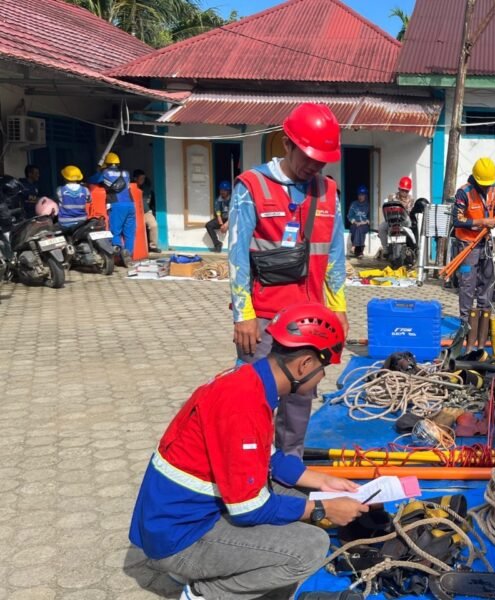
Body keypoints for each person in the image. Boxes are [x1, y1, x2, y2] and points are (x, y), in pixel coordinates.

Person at [130, 303, 367, 600]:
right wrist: (322, 510)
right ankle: (203, 592)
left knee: (304, 495)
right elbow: (248, 510)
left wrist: (322, 482)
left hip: (180, 518)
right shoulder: (243, 405)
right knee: (310, 546)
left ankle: (220, 570)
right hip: (180, 538)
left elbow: (268, 458)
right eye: (323, 370)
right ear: (305, 365)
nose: (321, 379)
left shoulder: (250, 381)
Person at [228, 102, 348, 466]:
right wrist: (243, 315)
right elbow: (236, 255)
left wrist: (339, 309)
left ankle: (288, 465)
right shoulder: (251, 187)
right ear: (287, 144)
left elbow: (336, 256)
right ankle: (245, 466)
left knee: (301, 397)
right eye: (309, 157)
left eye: (322, 160)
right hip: (263, 319)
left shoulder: (328, 192)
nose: (314, 166)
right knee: (252, 395)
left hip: (310, 318)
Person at [451, 157, 495, 322]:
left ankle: (483, 319)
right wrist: (482, 222)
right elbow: (457, 220)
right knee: (468, 284)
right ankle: (465, 321)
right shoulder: (463, 193)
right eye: (484, 184)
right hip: (467, 245)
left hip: (485, 243)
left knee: (487, 281)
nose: (487, 187)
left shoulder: (494, 188)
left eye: (488, 184)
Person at [89, 152, 135, 263]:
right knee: (129, 233)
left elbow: (92, 180)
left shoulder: (105, 173)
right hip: (130, 205)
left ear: (107, 163)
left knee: (115, 231)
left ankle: (118, 254)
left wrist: (99, 170)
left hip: (116, 205)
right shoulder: (126, 173)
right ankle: (128, 255)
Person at [378, 176, 414, 252]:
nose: (404, 192)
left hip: (404, 222)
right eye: (402, 190)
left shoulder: (411, 200)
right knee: (381, 227)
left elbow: (411, 212)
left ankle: (412, 246)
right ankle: (385, 249)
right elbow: (386, 205)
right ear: (399, 189)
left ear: (409, 191)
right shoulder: (392, 196)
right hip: (391, 221)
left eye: (406, 191)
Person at [55, 165, 91, 230]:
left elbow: (57, 201)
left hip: (64, 223)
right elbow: (89, 200)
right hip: (82, 223)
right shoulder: (85, 190)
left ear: (65, 177)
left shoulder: (60, 190)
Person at [133, 169, 160, 252]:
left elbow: (145, 200)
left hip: (145, 211)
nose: (142, 180)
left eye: (143, 178)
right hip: (133, 212)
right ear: (135, 178)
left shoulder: (146, 187)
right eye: (141, 178)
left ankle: (153, 246)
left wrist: (149, 211)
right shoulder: (130, 186)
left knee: (153, 225)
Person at [206, 181, 232, 253]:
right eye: (221, 190)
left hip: (232, 218)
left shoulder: (232, 199)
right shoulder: (218, 200)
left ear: (229, 191)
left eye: (224, 190)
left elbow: (233, 213)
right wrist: (221, 225)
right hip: (223, 218)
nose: (222, 192)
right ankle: (217, 244)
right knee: (209, 225)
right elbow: (218, 214)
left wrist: (226, 225)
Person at [348, 185, 370, 257]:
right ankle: (360, 251)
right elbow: (349, 216)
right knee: (355, 228)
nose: (360, 196)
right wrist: (355, 222)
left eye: (362, 195)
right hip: (355, 223)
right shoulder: (354, 204)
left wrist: (363, 222)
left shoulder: (368, 205)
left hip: (364, 225)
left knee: (360, 228)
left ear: (365, 195)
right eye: (359, 195)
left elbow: (370, 218)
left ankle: (354, 247)